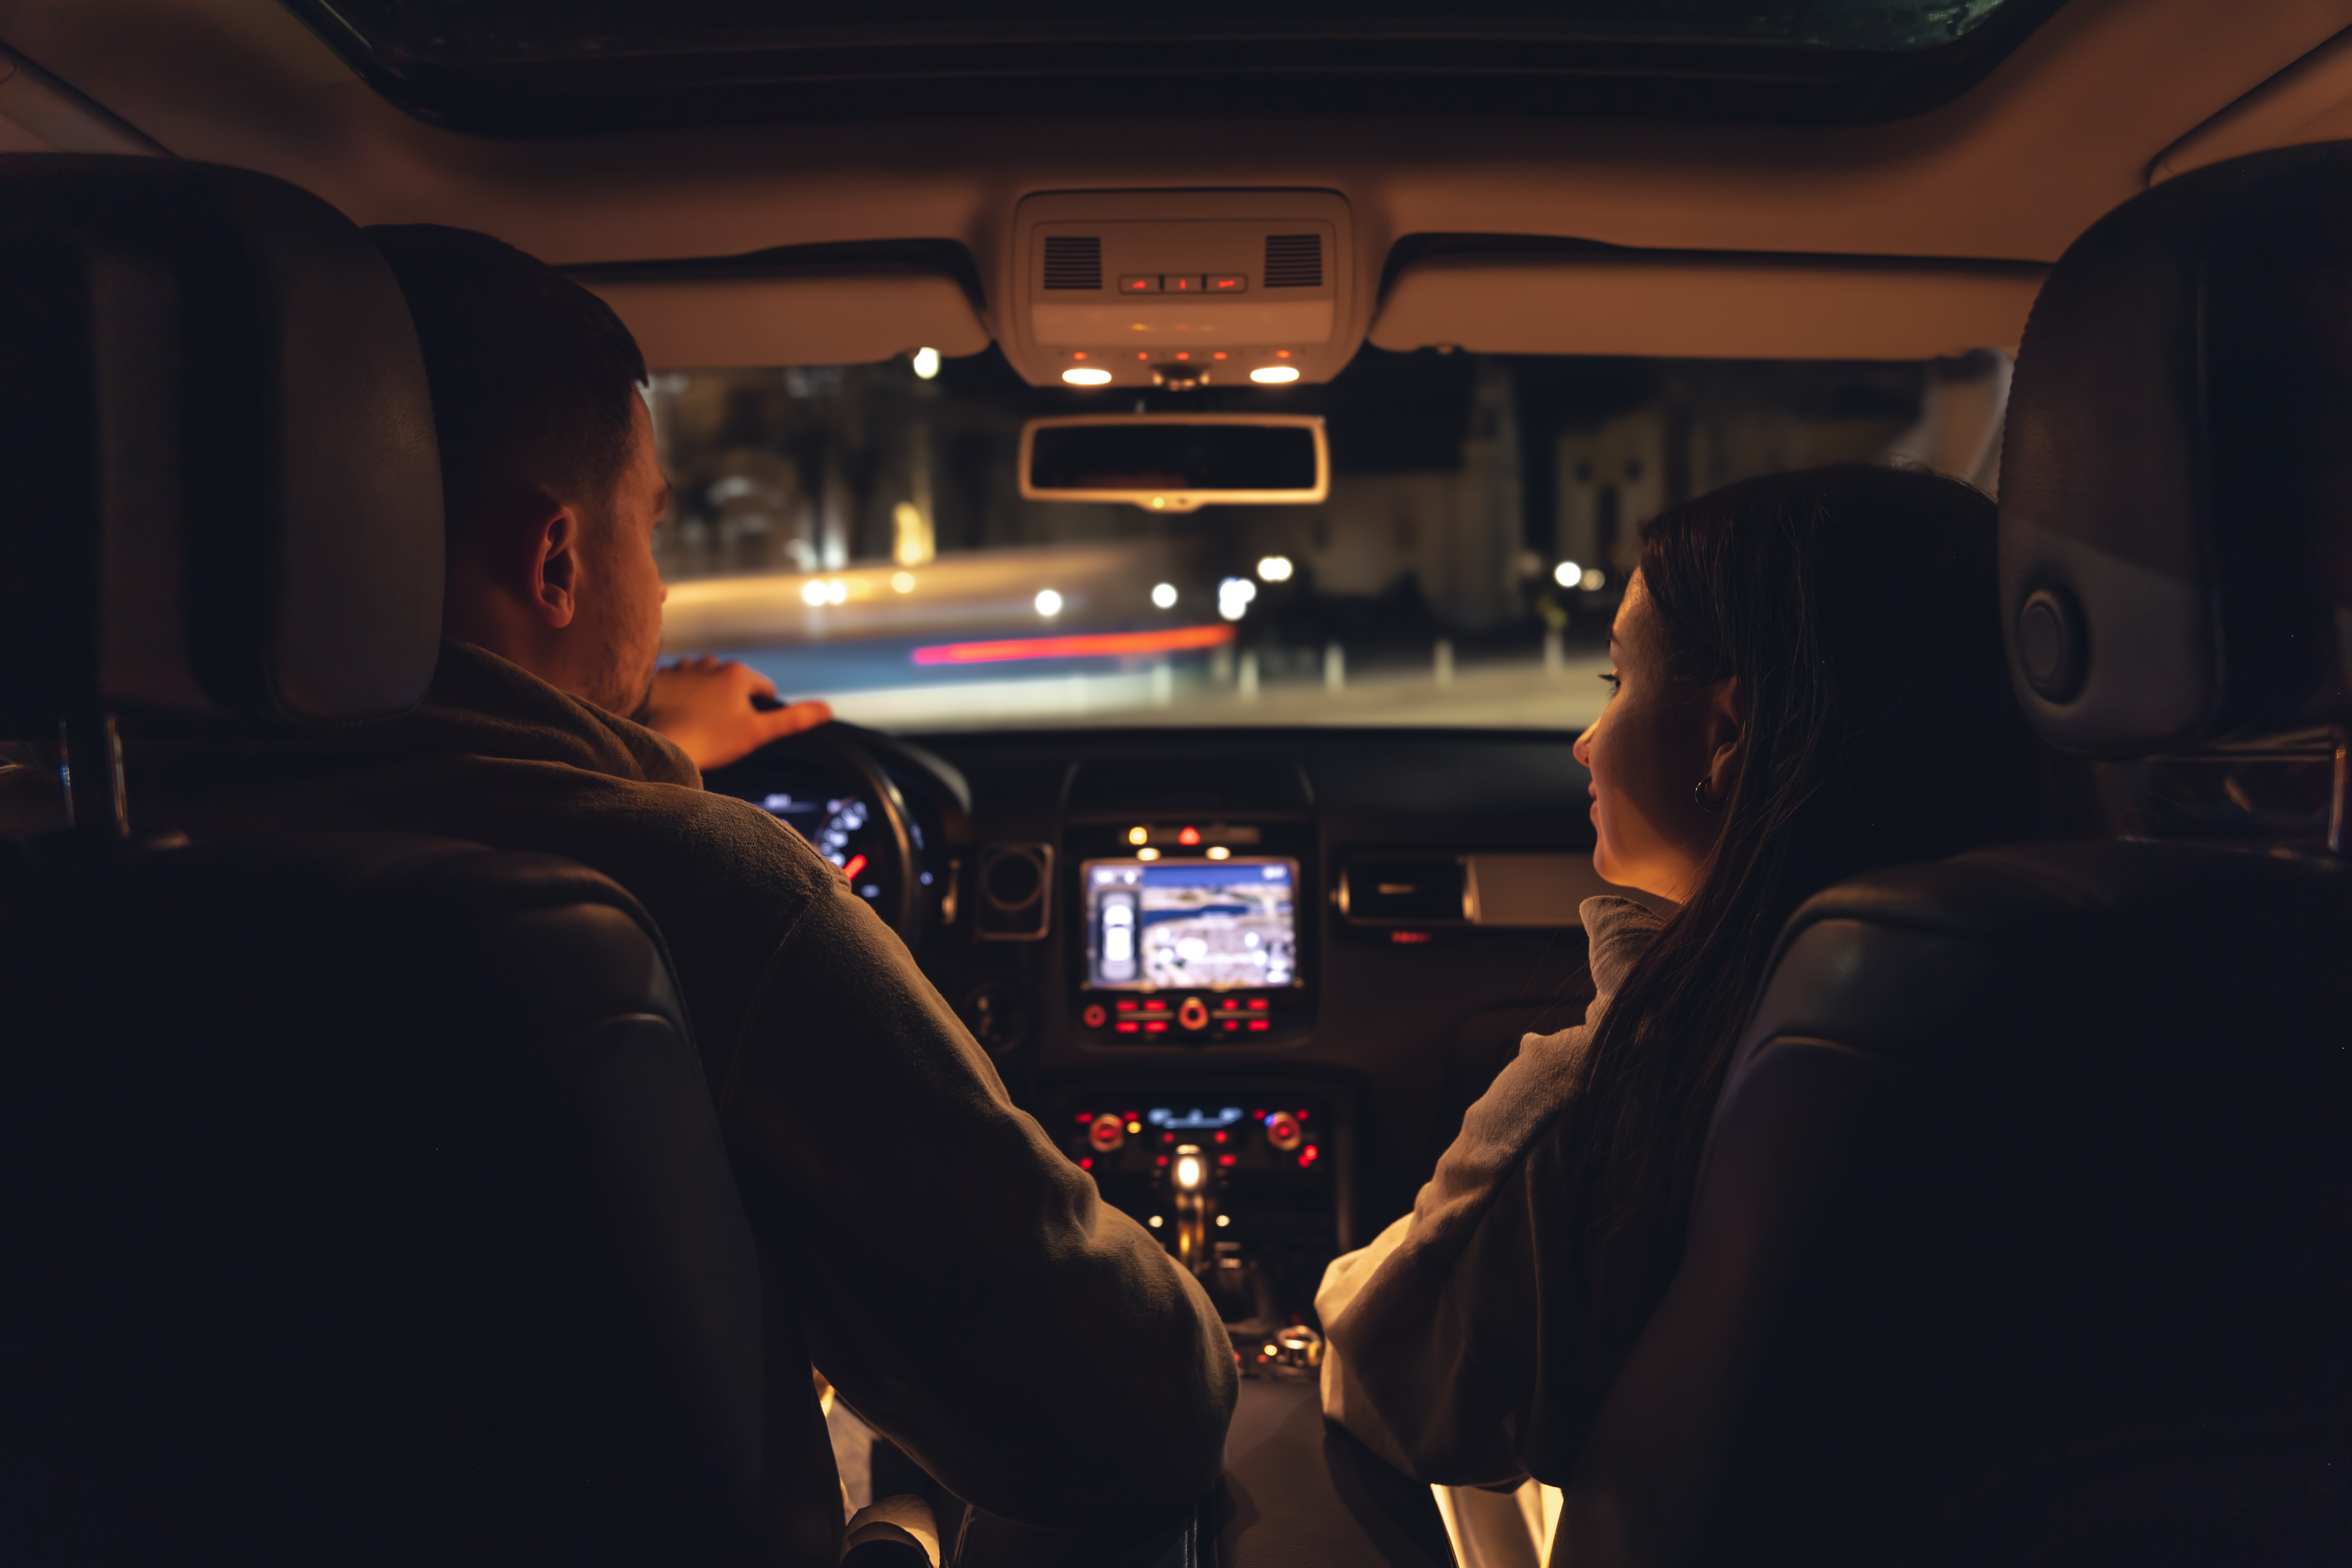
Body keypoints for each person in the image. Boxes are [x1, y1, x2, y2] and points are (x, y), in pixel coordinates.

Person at [133, 224, 1237, 1558]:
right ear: (554, 561)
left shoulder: (85, 859)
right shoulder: (712, 893)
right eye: (648, 535)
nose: (661, 592)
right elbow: (1132, 1405)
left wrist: (621, 737)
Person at [1316, 465, 2060, 1521]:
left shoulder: (1610, 1089)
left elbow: (1402, 1392)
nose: (1586, 740)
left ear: (1726, 731)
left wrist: (1350, 1282)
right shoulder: (2152, 1016)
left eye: (1615, 682)